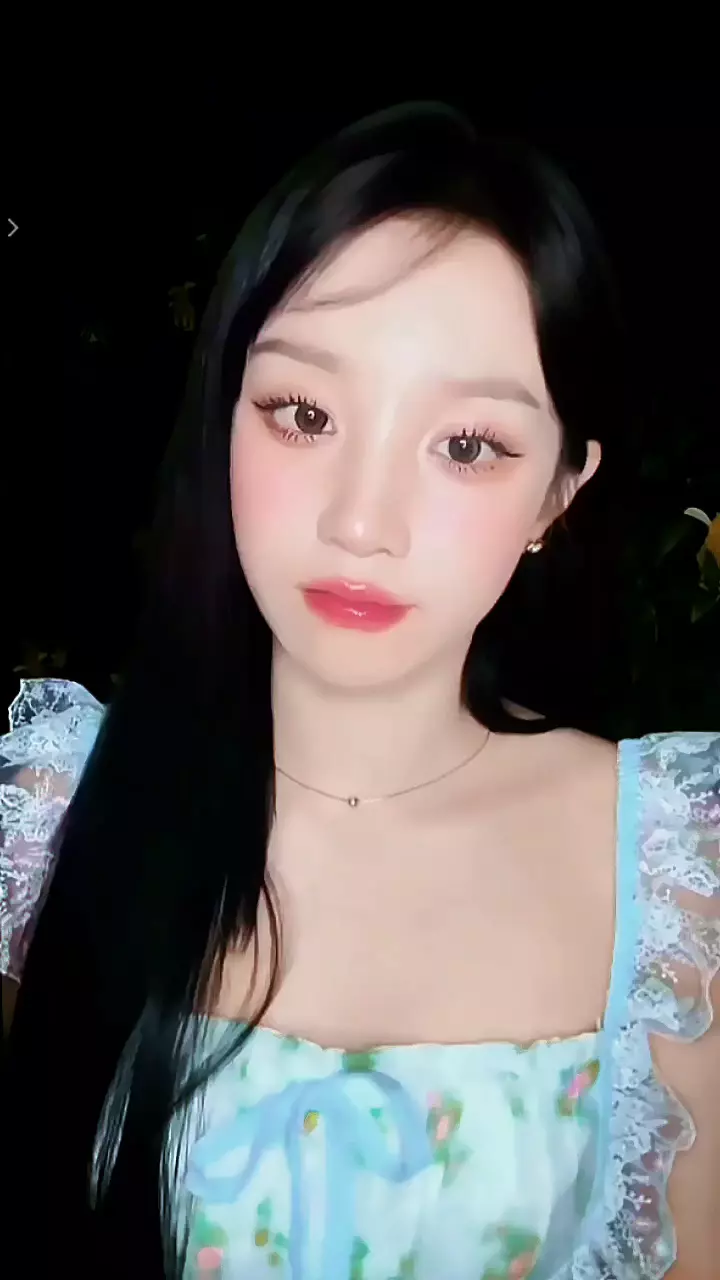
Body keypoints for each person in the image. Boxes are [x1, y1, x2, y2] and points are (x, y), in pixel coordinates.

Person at [1, 103, 717, 1280]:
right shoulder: (48, 815)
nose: (362, 521)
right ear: (225, 413)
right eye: (305, 414)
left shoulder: (677, 871)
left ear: (558, 491)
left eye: (467, 445)